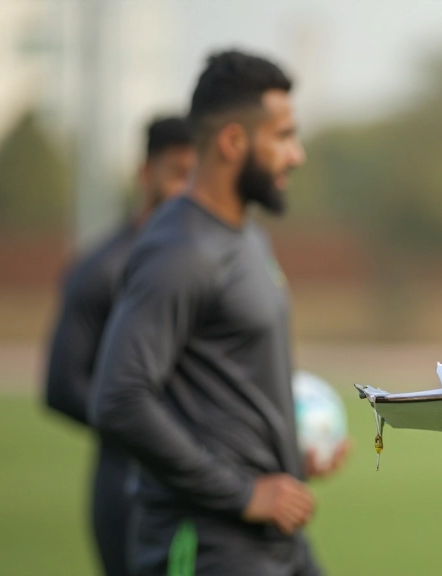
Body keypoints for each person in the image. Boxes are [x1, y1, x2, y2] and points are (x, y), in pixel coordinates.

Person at [89, 50, 346, 576]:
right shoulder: (180, 249)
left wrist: (292, 460)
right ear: (233, 142)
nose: (296, 155)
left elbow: (223, 384)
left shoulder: (247, 235)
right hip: (203, 543)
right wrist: (243, 492)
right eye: (283, 136)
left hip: (274, 537)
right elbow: (119, 397)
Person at [45, 116, 196, 576]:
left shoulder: (209, 264)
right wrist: (151, 429)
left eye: (195, 176)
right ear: (144, 173)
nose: (184, 189)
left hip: (207, 486)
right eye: (176, 173)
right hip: (127, 485)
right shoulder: (101, 270)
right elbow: (62, 387)